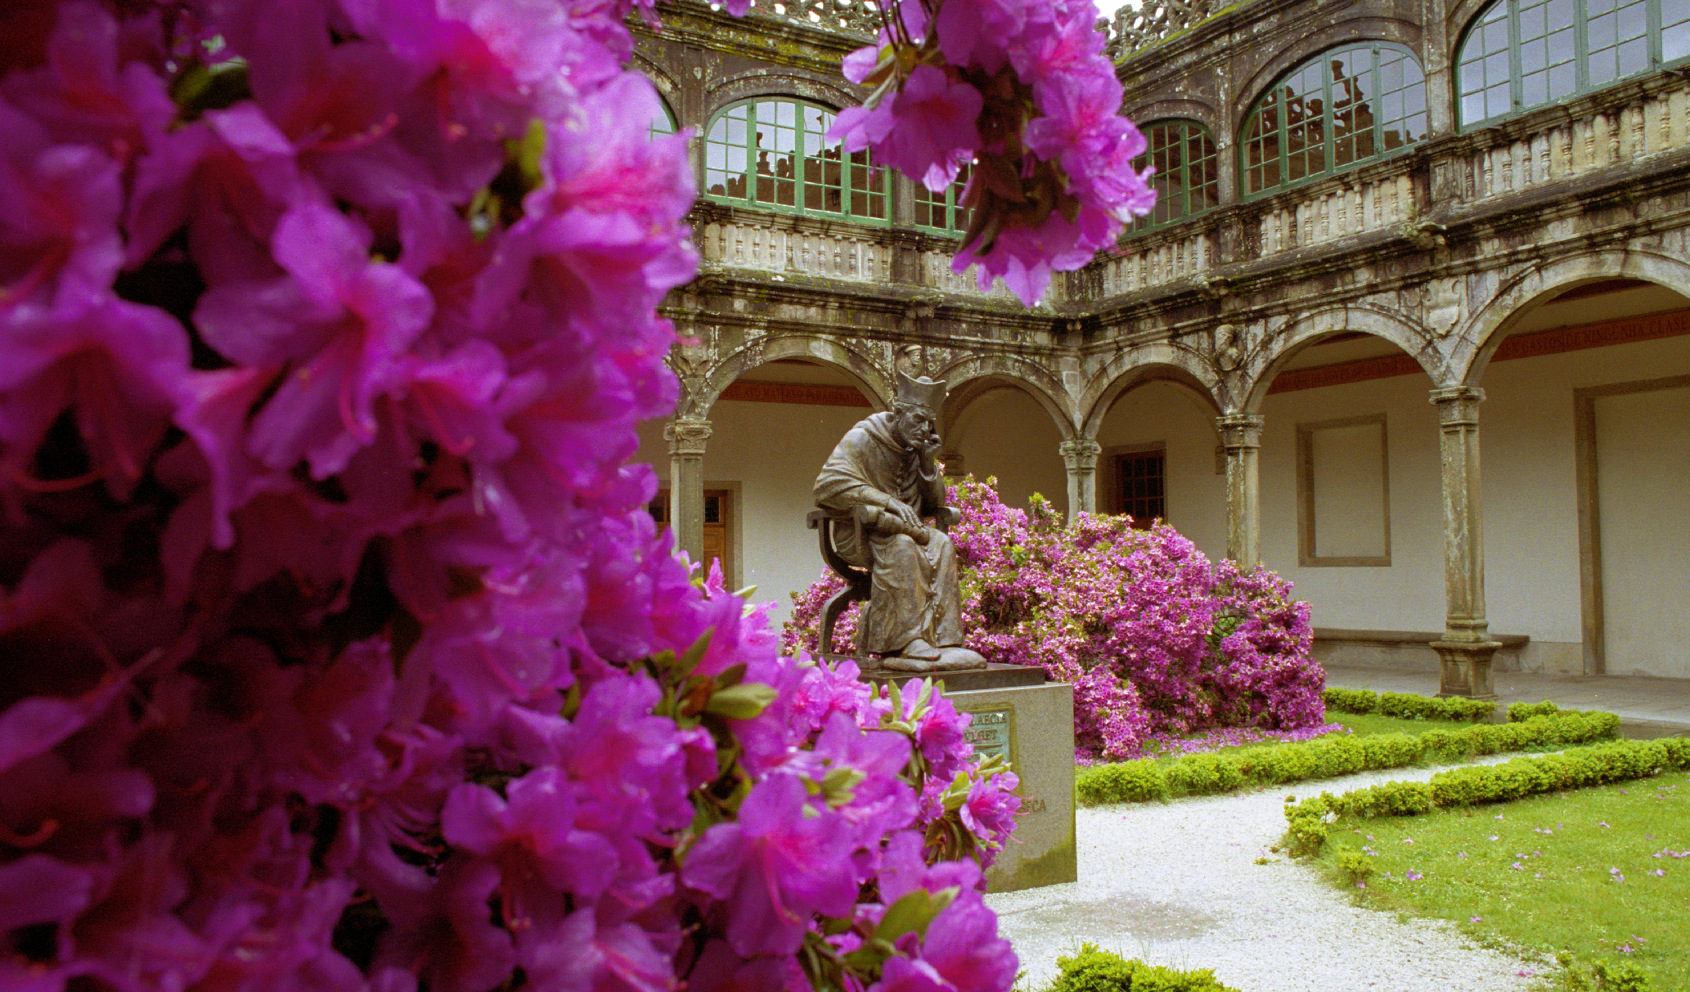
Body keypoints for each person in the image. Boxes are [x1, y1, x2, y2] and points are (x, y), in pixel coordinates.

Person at [814, 372, 987, 672]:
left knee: (943, 543)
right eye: (918, 420)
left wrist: (927, 462)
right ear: (898, 413)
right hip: (860, 533)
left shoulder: (915, 448)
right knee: (903, 546)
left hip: (908, 530)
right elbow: (826, 486)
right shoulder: (863, 438)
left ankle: (946, 642)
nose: (924, 430)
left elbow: (933, 505)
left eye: (929, 424)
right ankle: (905, 643)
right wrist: (886, 501)